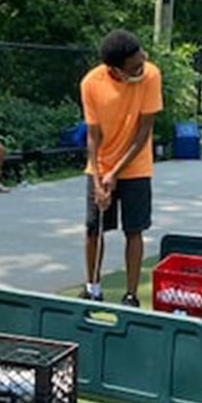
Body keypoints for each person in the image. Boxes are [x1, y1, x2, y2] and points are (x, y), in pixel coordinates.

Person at [79, 29, 162, 307]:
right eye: (134, 64)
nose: (141, 64)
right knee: (94, 229)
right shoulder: (91, 82)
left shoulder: (151, 75)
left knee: (134, 229)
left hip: (136, 166)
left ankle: (131, 294)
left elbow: (144, 132)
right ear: (115, 68)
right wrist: (99, 176)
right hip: (100, 165)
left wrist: (116, 172)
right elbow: (93, 135)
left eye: (141, 57)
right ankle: (92, 286)